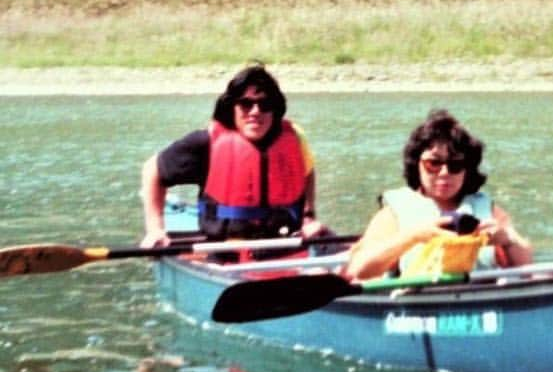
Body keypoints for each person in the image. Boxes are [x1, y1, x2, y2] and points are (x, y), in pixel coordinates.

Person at [139, 64, 325, 247]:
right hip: (224, 251)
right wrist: (155, 229)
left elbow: (307, 172)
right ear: (232, 107)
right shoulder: (206, 143)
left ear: (275, 108)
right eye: (246, 104)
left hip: (286, 246)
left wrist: (308, 218)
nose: (255, 111)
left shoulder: (294, 138)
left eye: (265, 104)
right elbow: (152, 169)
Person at [343, 109, 532, 280]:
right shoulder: (394, 213)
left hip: (479, 300)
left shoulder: (488, 210)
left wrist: (507, 240)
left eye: (455, 165)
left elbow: (527, 268)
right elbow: (360, 269)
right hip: (418, 307)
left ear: (467, 170)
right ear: (417, 164)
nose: (444, 173)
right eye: (433, 164)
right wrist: (413, 237)